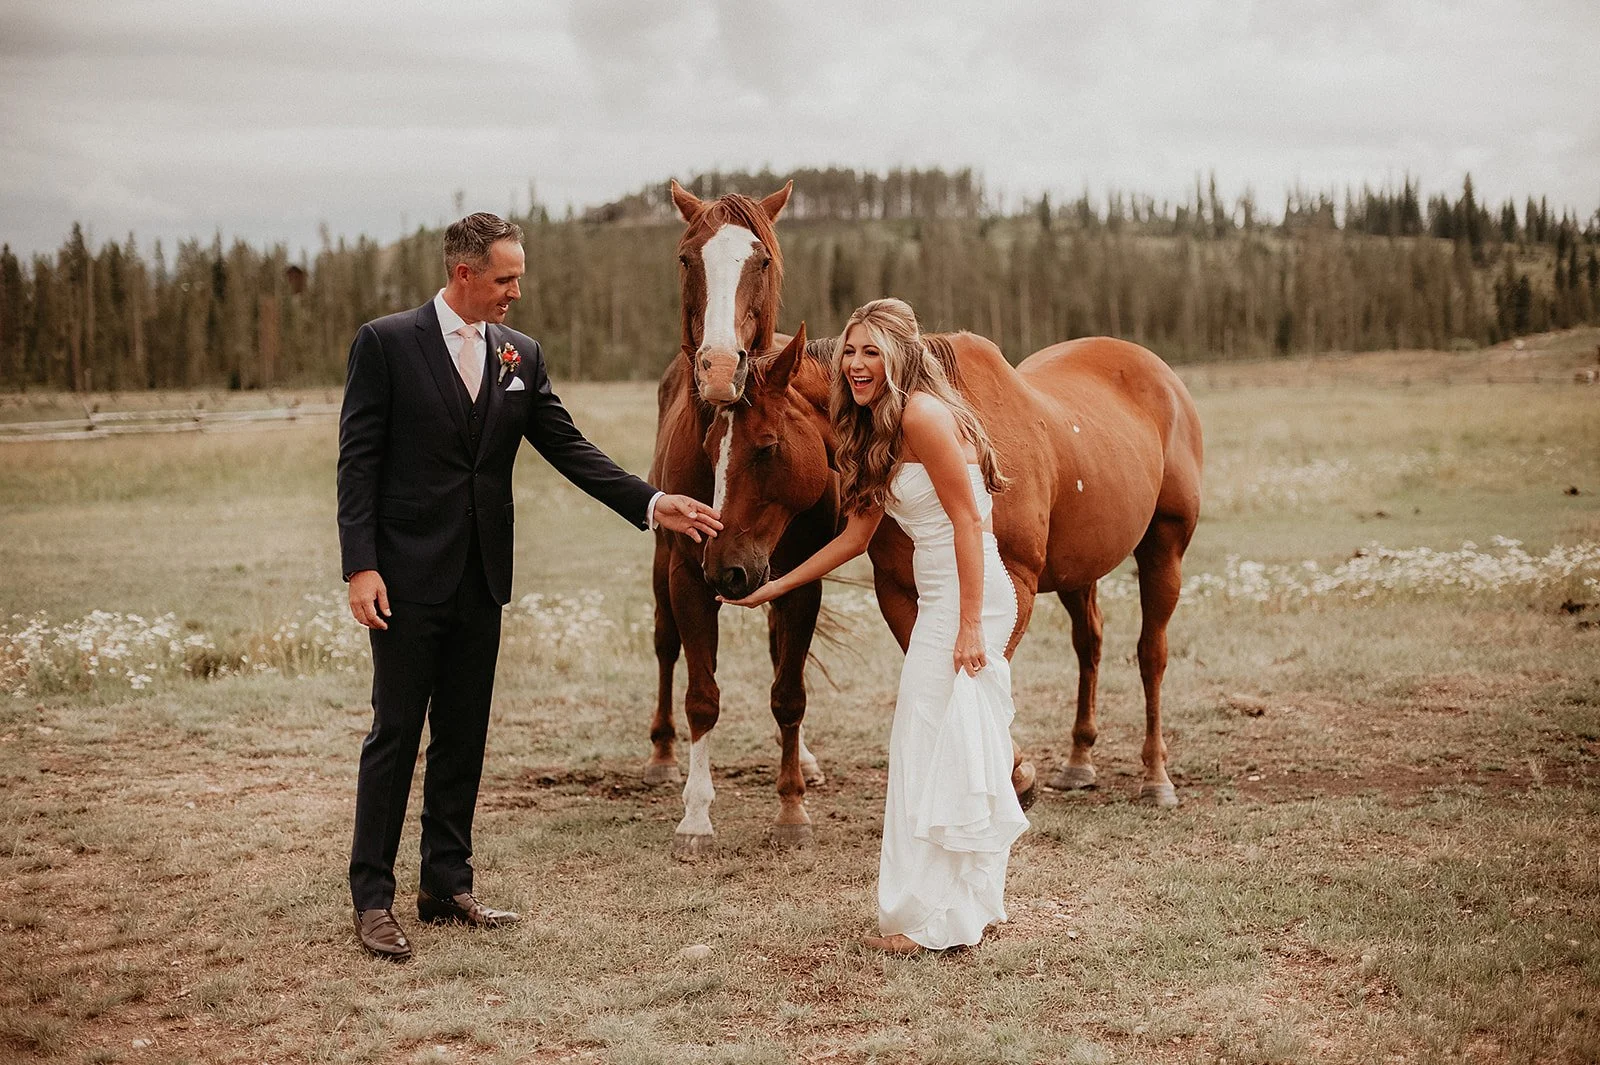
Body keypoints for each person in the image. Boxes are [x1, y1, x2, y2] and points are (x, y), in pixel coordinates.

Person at [337, 212, 721, 961]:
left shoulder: (521, 354)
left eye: (519, 276)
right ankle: (373, 898)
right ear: (463, 275)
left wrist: (651, 502)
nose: (517, 291)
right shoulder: (385, 343)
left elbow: (568, 446)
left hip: (483, 576)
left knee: (464, 734)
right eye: (506, 277)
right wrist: (361, 565)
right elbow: (358, 463)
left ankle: (446, 883)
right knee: (394, 735)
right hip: (404, 580)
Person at [720, 298, 1028, 954]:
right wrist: (775, 584)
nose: (856, 364)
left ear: (900, 357)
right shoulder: (875, 424)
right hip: (949, 596)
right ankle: (970, 901)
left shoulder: (922, 414)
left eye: (870, 351)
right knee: (951, 742)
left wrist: (971, 624)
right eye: (851, 351)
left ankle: (928, 919)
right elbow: (858, 535)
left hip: (968, 597)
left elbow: (971, 522)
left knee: (927, 740)